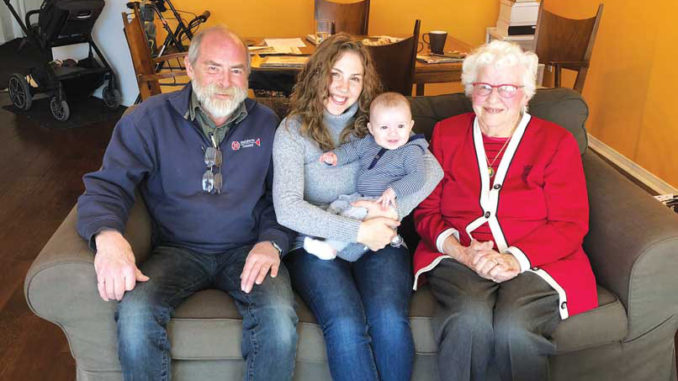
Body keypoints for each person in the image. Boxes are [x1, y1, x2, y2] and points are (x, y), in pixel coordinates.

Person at [76, 25, 298, 381]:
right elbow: (107, 185)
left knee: (278, 321)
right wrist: (108, 236)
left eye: (237, 70)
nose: (225, 81)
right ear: (190, 68)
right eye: (214, 68)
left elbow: (285, 197)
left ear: (248, 75)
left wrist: (272, 242)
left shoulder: (267, 124)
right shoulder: (148, 119)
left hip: (248, 250)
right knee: (135, 316)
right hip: (176, 250)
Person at [412, 40, 598, 380]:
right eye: (484, 87)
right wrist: (462, 252)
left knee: (516, 328)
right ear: (470, 91)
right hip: (462, 255)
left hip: (539, 260)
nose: (494, 98)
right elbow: (426, 211)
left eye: (508, 88)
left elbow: (569, 223)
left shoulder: (556, 142)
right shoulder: (446, 134)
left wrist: (515, 258)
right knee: (468, 321)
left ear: (526, 94)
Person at [272, 33, 443, 381]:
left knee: (388, 318)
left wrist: (387, 214)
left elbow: (432, 169)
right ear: (317, 74)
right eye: (334, 74)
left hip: (379, 237)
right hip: (317, 245)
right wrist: (356, 230)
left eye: (354, 77)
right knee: (346, 323)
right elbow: (287, 209)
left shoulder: (378, 121)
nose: (342, 87)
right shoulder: (292, 131)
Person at [304, 92, 428, 261]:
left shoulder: (411, 151)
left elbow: (418, 177)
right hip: (360, 196)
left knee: (354, 216)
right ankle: (322, 236)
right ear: (371, 129)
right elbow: (351, 150)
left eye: (400, 126)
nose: (393, 134)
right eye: (384, 128)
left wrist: (394, 190)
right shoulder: (368, 143)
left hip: (382, 203)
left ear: (411, 125)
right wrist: (335, 157)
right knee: (338, 205)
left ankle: (332, 248)